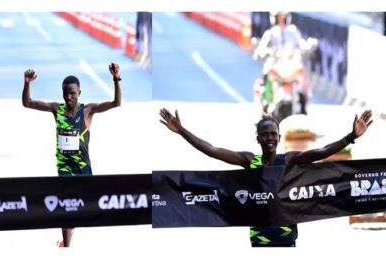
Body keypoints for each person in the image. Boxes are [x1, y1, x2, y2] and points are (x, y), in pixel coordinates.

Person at [159, 107, 373, 247]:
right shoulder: (249, 161)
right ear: (258, 138)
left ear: (279, 138)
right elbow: (212, 150)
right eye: (265, 134)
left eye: (273, 134)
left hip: (287, 239)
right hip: (259, 240)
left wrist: (351, 137)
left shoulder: (288, 161)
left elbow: (321, 152)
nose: (269, 138)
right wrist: (181, 130)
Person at [22, 63, 122, 247]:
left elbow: (116, 103)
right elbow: (27, 103)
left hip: (83, 169)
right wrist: (27, 83)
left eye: (72, 93)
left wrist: (116, 78)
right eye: (65, 93)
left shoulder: (87, 111)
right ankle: (66, 247)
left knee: (80, 209)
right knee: (66, 209)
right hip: (64, 169)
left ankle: (67, 238)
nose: (69, 97)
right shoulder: (56, 109)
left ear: (79, 93)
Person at [253, 12, 313, 117]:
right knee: (266, 74)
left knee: (302, 80)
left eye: (283, 17)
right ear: (274, 18)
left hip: (290, 65)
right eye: (278, 17)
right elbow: (261, 47)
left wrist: (307, 47)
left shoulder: (293, 31)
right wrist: (261, 52)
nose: (281, 19)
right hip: (275, 65)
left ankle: (303, 105)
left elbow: (301, 43)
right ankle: (265, 103)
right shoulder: (271, 33)